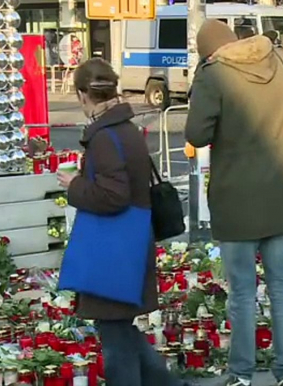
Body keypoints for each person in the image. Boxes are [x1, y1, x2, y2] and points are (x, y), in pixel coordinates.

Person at [185, 20, 283, 386]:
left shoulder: (215, 74)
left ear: (209, 51)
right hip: (282, 191)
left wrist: (200, 81)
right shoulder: (280, 59)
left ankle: (242, 373)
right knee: (282, 286)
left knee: (241, 291)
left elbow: (196, 133)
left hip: (237, 198)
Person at [56, 58, 186, 386]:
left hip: (112, 250)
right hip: (130, 240)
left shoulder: (104, 135)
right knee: (121, 330)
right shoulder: (124, 128)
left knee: (115, 337)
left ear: (84, 94)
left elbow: (114, 196)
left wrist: (74, 186)